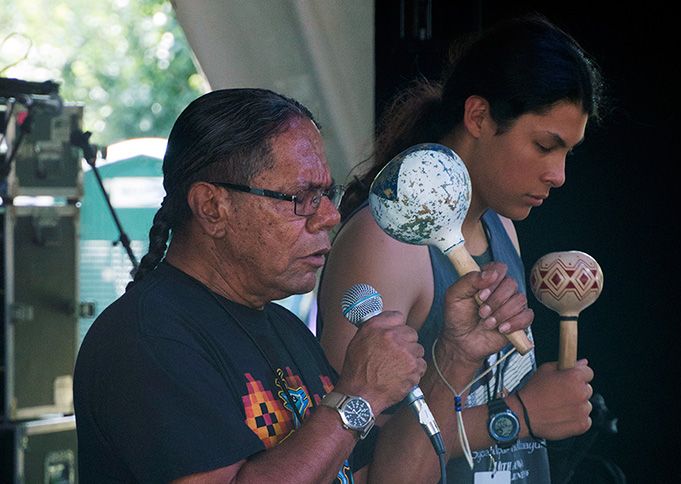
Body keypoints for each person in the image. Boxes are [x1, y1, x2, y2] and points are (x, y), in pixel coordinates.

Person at [73, 87, 534, 483]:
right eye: (300, 199)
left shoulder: (284, 328)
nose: (331, 217)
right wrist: (358, 396)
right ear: (212, 208)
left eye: (327, 195)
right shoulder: (147, 339)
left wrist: (454, 357)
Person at [317, 13, 603, 484]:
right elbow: (352, 454)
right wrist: (520, 414)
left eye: (567, 153)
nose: (559, 175)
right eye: (544, 146)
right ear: (478, 117)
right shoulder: (387, 242)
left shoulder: (500, 225)